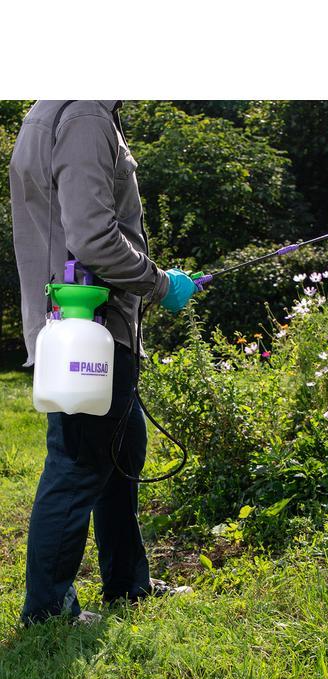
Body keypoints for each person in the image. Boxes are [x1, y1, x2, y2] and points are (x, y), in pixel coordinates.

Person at [9, 100, 199, 625]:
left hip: (88, 324)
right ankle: (48, 611)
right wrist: (160, 284)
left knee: (122, 449)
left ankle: (127, 584)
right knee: (78, 463)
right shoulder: (85, 115)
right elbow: (92, 237)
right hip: (88, 325)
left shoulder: (65, 108)